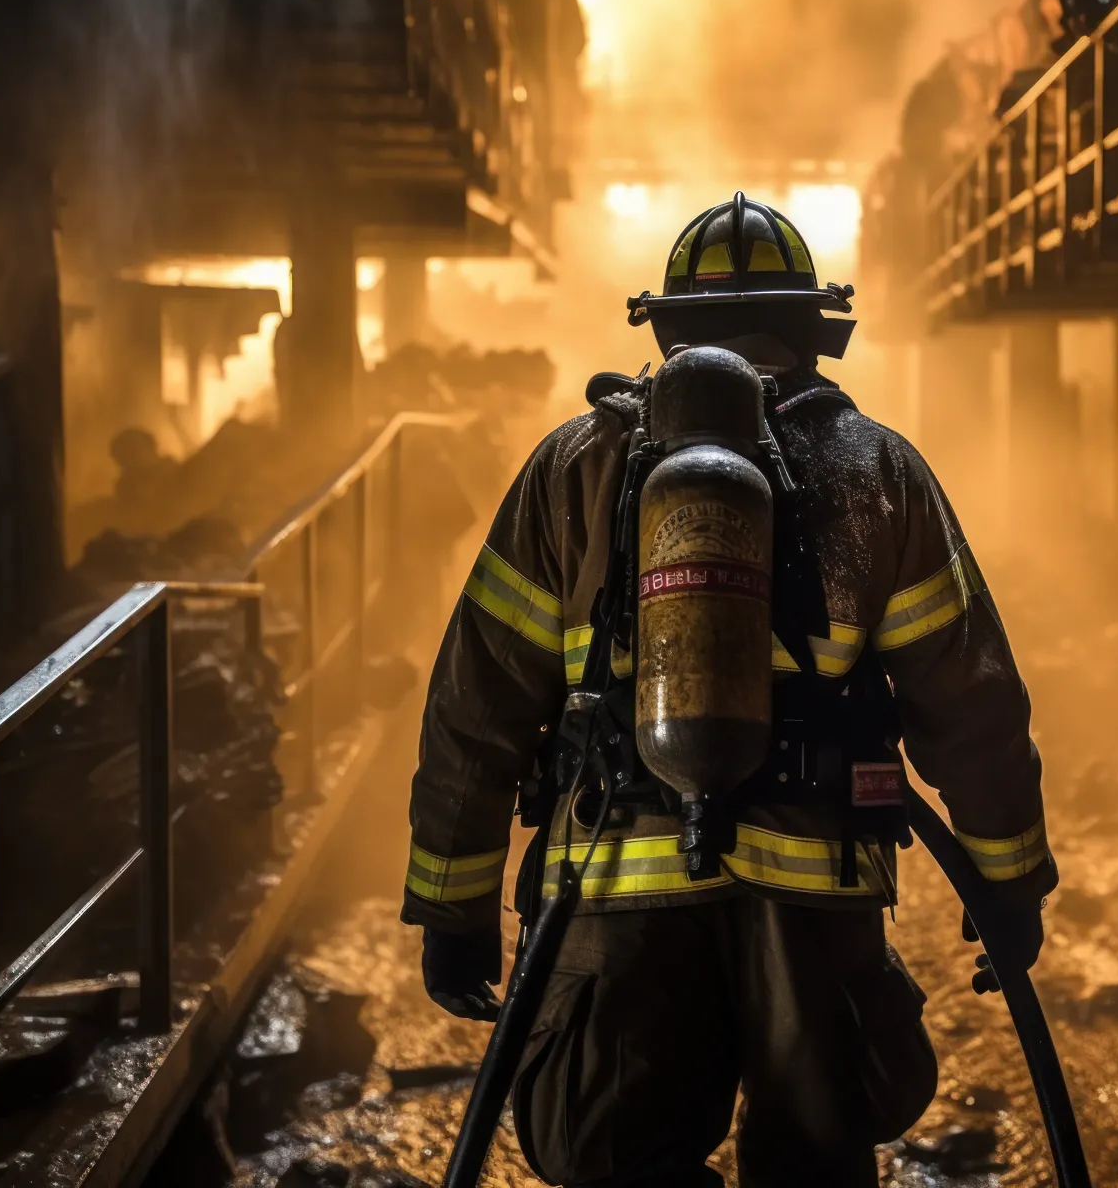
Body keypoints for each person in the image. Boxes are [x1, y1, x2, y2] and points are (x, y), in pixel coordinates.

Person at [402, 194, 1057, 1187]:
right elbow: (971, 702)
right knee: (811, 1161)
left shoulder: (571, 466)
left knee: (620, 1158)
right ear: (811, 325)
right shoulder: (879, 469)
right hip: (814, 895)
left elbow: (477, 703)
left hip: (613, 891)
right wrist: (1008, 882)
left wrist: (453, 907)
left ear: (663, 326)